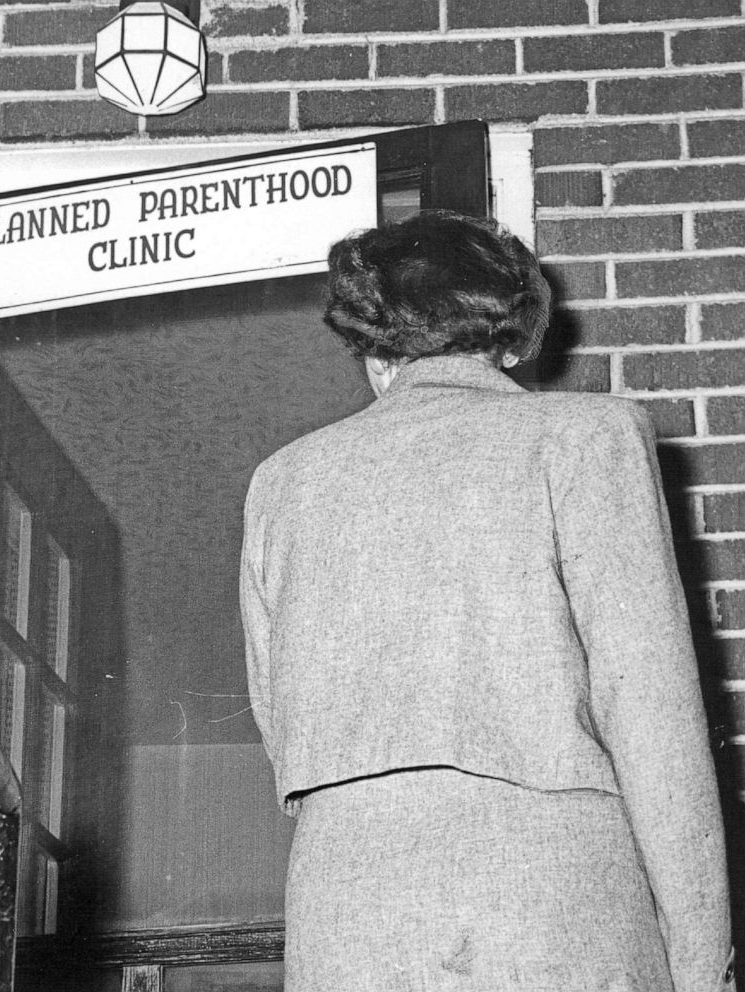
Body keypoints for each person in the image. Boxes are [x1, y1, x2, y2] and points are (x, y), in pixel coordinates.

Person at [239, 210, 736, 992]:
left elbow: (274, 712)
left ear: (373, 352)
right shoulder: (586, 436)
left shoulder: (284, 479)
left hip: (347, 901)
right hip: (551, 893)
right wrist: (704, 958)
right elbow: (651, 711)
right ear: (511, 341)